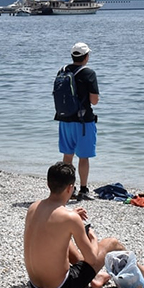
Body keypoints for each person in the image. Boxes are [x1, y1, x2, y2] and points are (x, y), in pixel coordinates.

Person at [24, 162, 144, 288]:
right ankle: (143, 272)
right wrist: (93, 239)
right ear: (70, 188)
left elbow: (51, 225)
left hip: (36, 285)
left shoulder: (34, 207)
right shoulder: (70, 218)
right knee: (112, 243)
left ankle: (96, 276)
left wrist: (70, 215)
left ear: (48, 184)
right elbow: (91, 258)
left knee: (61, 236)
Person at [56, 42, 99, 201]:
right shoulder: (88, 73)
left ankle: (67, 189)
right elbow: (94, 101)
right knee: (83, 156)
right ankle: (83, 189)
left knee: (67, 156)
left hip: (64, 119)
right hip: (83, 122)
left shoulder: (62, 70)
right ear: (86, 57)